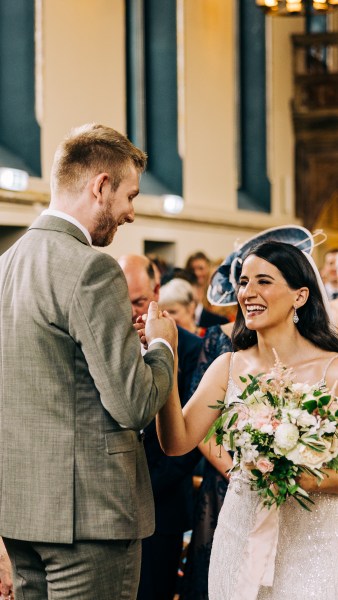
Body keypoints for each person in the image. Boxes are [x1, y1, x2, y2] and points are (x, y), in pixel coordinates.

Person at [0, 123, 177, 600]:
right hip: (90, 520)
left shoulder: (6, 264)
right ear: (101, 185)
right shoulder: (91, 268)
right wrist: (161, 349)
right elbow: (134, 404)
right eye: (129, 196)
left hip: (22, 515)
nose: (131, 214)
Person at [157, 240, 338, 599]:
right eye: (243, 282)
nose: (247, 292)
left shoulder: (332, 368)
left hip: (314, 540)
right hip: (240, 532)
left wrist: (290, 474)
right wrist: (169, 360)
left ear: (300, 296)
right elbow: (176, 442)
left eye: (263, 281)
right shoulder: (228, 366)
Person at [118, 254, 202, 600]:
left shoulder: (192, 346)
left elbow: (189, 439)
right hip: (112, 507)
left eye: (139, 301)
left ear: (156, 290)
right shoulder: (109, 344)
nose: (133, 311)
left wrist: (139, 488)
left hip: (162, 507)